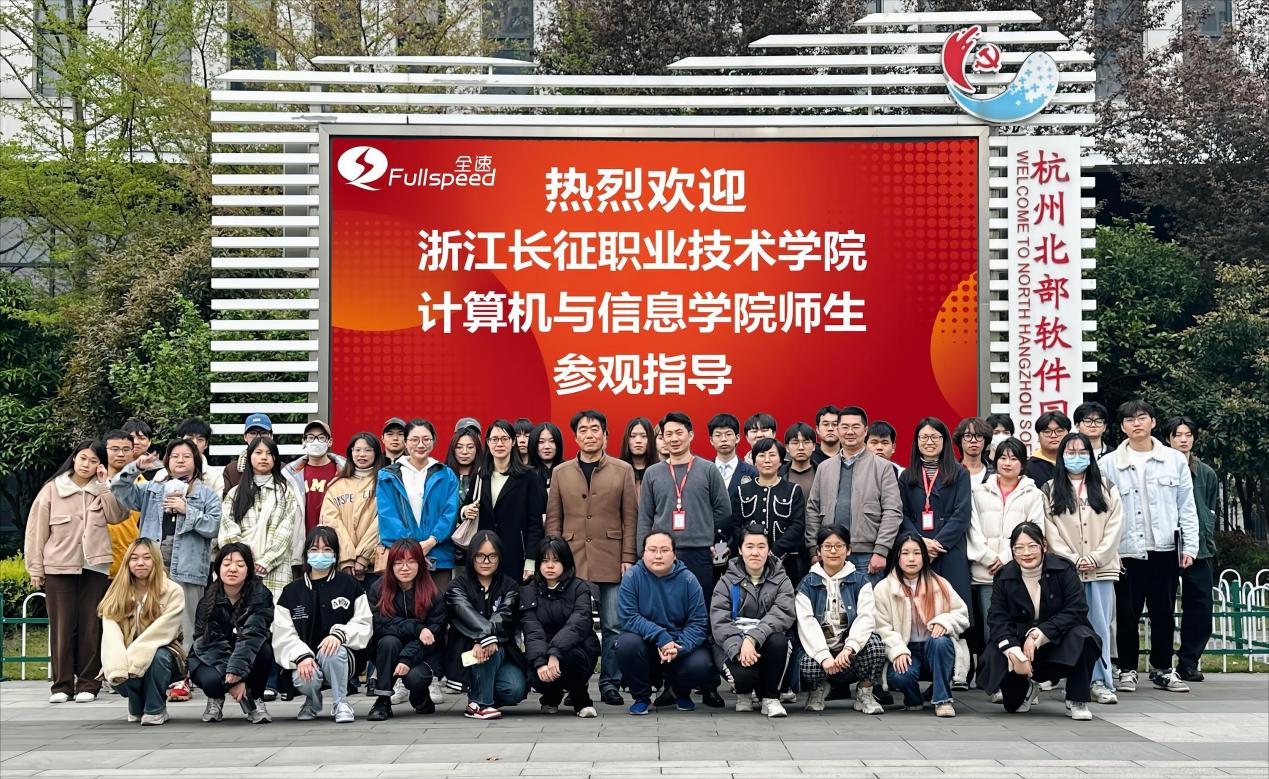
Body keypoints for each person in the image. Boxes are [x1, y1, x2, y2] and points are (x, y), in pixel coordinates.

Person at [113, 439, 222, 703]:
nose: (180, 460)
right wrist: (135, 467)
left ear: (196, 461)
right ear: (167, 462)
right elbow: (119, 489)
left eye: (186, 456)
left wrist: (187, 510)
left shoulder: (206, 494)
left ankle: (182, 678)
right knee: (150, 623)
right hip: (152, 572)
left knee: (186, 625)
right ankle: (148, 674)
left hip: (188, 571)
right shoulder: (152, 490)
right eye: (175, 456)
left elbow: (214, 527)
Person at [1101, 400, 1199, 693]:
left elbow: (1186, 506)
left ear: (1153, 422)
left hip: (1164, 548)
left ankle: (1163, 669)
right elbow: (1102, 511)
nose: (1137, 424)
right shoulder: (1108, 464)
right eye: (1130, 420)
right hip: (1126, 550)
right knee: (1126, 613)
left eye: (1142, 417)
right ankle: (1127, 670)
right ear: (1122, 427)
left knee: (1163, 613)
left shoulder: (1174, 460)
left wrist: (1189, 547)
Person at [636, 411, 731, 708]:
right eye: (668, 434)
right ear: (661, 438)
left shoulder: (707, 470)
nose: (674, 439)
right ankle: (670, 685)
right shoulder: (653, 473)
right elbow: (645, 517)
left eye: (679, 433)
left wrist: (710, 538)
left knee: (702, 617)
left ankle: (708, 684)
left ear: (691, 435)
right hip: (663, 557)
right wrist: (644, 553)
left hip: (699, 553)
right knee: (666, 618)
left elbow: (724, 511)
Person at [544, 409, 638, 707]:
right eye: (583, 430)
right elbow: (554, 520)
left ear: (605, 434)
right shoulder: (561, 472)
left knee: (613, 625)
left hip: (612, 557)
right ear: (575, 437)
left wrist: (628, 556)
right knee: (573, 626)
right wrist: (554, 559)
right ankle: (576, 685)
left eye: (595, 429)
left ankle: (610, 683)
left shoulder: (622, 470)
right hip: (572, 559)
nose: (589, 434)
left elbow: (630, 519)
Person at [26, 440, 126, 703]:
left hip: (95, 566)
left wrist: (104, 485)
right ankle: (61, 685)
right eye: (83, 458)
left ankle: (88, 684)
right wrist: (35, 568)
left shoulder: (103, 488)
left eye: (94, 461)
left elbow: (117, 516)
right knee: (62, 627)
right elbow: (36, 531)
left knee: (92, 626)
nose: (87, 465)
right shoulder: (52, 489)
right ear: (74, 458)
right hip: (59, 566)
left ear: (100, 465)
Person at [979, 523, 1102, 721]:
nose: (1026, 553)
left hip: (1057, 640)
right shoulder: (1004, 576)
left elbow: (1077, 609)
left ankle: (1076, 698)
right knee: (1012, 705)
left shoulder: (1063, 569)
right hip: (1020, 643)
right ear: (1012, 551)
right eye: (1019, 548)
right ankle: (1027, 687)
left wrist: (1039, 634)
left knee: (1083, 636)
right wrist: (1012, 651)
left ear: (1044, 545)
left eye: (1032, 546)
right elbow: (997, 618)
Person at [1043, 432, 1123, 704]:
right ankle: (1072, 680)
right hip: (1067, 571)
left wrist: (1097, 557)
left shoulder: (1105, 486)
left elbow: (1115, 526)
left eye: (1082, 452)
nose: (1076, 457)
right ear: (1061, 456)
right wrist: (1071, 559)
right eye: (1070, 452)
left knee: (1100, 626)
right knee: (1067, 626)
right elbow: (1050, 531)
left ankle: (1100, 681)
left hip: (1101, 569)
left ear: (1090, 456)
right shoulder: (1050, 489)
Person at [273, 526, 372, 723]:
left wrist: (339, 635)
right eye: (314, 549)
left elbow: (363, 622)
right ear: (306, 554)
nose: (320, 554)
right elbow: (283, 634)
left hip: (342, 656)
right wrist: (301, 656)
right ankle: (312, 700)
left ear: (335, 555)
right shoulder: (291, 592)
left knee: (332, 651)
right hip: (305, 660)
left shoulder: (350, 585)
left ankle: (341, 702)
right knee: (303, 676)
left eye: (327, 550)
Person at [966, 438, 1046, 666]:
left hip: (1021, 572)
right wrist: (989, 558)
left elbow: (1036, 531)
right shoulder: (978, 492)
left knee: (1021, 625)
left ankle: (1023, 671)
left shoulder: (1033, 494)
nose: (1007, 463)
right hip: (986, 572)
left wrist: (1006, 558)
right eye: (1002, 457)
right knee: (991, 628)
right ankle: (994, 674)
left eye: (1013, 458)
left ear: (1023, 463)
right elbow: (972, 529)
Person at [616, 531, 714, 714]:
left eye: (664, 550)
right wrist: (661, 637)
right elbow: (628, 617)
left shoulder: (688, 580)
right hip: (646, 641)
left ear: (674, 554)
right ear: (643, 553)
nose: (658, 555)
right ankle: (641, 697)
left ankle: (680, 692)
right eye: (652, 550)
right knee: (626, 644)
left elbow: (698, 623)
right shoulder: (632, 577)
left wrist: (677, 647)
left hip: (679, 643)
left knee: (701, 663)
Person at [873, 532, 970, 717]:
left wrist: (944, 621)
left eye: (917, 553)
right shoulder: (884, 588)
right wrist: (897, 650)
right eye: (905, 553)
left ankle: (943, 699)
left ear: (924, 557)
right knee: (899, 676)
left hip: (934, 648)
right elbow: (881, 627)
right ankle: (912, 697)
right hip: (907, 649)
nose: (911, 559)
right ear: (897, 556)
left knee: (941, 641)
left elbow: (961, 613)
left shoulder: (939, 584)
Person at [793, 525, 887, 714]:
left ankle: (865, 692)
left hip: (849, 656)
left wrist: (850, 648)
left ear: (849, 550)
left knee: (876, 645)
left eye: (839, 546)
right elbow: (807, 624)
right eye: (827, 546)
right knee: (807, 665)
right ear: (818, 551)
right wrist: (824, 656)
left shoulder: (861, 581)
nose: (833, 551)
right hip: (823, 656)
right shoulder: (807, 585)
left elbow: (866, 618)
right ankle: (817, 689)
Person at [806, 406, 903, 585]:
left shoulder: (882, 467)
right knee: (832, 601)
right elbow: (812, 510)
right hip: (830, 552)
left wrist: (881, 551)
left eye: (855, 427)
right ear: (837, 430)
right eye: (844, 427)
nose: (850, 432)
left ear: (865, 431)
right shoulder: (824, 468)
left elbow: (892, 510)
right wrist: (814, 549)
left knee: (868, 602)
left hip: (867, 555)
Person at [710, 524, 796, 717]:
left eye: (761, 546)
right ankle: (745, 692)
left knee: (779, 641)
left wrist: (752, 639)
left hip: (766, 642)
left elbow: (782, 613)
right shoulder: (726, 581)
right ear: (740, 550)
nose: (755, 552)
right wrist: (739, 648)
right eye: (749, 546)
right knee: (744, 678)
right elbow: (720, 622)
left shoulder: (781, 579)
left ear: (769, 550)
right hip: (734, 644)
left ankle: (770, 698)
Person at [98, 538, 185, 725]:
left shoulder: (173, 591)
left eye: (146, 558)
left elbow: (162, 632)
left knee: (158, 656)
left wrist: (134, 659)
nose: (140, 563)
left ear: (156, 560)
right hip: (127, 656)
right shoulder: (115, 593)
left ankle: (155, 709)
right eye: (134, 558)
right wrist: (117, 666)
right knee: (117, 667)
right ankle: (136, 704)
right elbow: (111, 636)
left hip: (164, 656)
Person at [188, 542, 276, 723]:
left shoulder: (260, 595)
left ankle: (256, 698)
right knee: (212, 682)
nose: (233, 569)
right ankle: (215, 698)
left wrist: (237, 671)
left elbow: (253, 635)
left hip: (247, 655)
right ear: (218, 568)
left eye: (240, 564)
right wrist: (234, 680)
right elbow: (209, 643)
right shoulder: (208, 600)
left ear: (249, 569)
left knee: (264, 650)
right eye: (227, 564)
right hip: (210, 655)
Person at [445, 530, 528, 720]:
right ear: (471, 557)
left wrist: (487, 638)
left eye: (492, 556)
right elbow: (466, 613)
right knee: (490, 645)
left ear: (500, 558)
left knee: (514, 690)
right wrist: (484, 638)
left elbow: (505, 615)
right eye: (480, 556)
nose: (486, 561)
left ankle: (478, 697)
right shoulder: (457, 586)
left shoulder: (510, 586)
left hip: (502, 649)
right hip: (465, 651)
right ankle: (481, 703)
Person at [1163, 415, 1218, 683]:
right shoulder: (1162, 468)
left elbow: (1209, 509)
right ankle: (1161, 663)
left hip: (1200, 548)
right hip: (1166, 546)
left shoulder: (1206, 473)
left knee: (1200, 606)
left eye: (1188, 435)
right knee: (1162, 605)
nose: (1183, 440)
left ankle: (1189, 661)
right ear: (1168, 439)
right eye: (1178, 435)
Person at [366, 539, 447, 720]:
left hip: (424, 652)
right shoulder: (378, 589)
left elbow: (434, 634)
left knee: (415, 678)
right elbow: (380, 624)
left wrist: (406, 658)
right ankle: (382, 700)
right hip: (388, 650)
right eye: (398, 562)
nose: (405, 568)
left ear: (420, 563)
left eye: (411, 561)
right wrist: (417, 628)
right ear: (390, 565)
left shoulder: (433, 593)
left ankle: (420, 696)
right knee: (388, 641)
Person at [898, 417, 972, 613]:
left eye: (934, 437)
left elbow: (962, 514)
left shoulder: (960, 473)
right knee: (918, 610)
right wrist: (920, 543)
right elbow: (901, 514)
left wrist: (937, 544)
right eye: (924, 437)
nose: (929, 442)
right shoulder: (906, 476)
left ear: (944, 440)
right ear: (916, 441)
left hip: (949, 549)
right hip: (916, 549)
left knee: (953, 608)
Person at [521, 536, 601, 718]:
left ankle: (582, 700)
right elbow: (532, 630)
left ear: (566, 562)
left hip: (577, 648)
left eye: (556, 561)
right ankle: (551, 696)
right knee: (530, 668)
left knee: (571, 658)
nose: (550, 566)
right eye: (545, 561)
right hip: (543, 648)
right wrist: (540, 662)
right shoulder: (529, 590)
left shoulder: (580, 588)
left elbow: (578, 624)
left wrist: (555, 653)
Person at [377, 419, 461, 588]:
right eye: (414, 440)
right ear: (405, 442)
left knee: (436, 602)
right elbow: (388, 516)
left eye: (426, 439)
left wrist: (431, 541)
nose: (420, 445)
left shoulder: (446, 474)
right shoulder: (388, 476)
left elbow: (450, 513)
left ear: (434, 441)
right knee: (404, 602)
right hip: (403, 559)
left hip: (438, 556)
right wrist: (412, 549)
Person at [219, 436, 302, 604]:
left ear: (275, 459)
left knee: (273, 613)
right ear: (249, 457)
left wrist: (266, 561)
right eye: (258, 453)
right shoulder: (235, 493)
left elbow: (286, 531)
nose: (264, 457)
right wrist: (244, 561)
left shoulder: (286, 493)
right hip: (240, 568)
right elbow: (227, 529)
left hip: (275, 568)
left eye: (269, 453)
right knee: (238, 613)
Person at [474, 420, 546, 582]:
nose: (499, 444)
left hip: (516, 553)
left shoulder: (529, 477)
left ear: (513, 442)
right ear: (487, 442)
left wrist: (531, 559)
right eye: (494, 439)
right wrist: (465, 511)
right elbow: (466, 506)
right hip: (484, 553)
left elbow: (535, 523)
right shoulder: (480, 476)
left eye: (504, 439)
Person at [731, 438, 805, 584]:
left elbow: (798, 526)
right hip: (749, 561)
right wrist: (750, 550)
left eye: (772, 455)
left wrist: (774, 550)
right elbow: (735, 525)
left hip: (785, 562)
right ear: (754, 460)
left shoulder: (793, 490)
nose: (767, 460)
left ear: (781, 460)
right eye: (761, 455)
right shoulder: (742, 491)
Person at [320, 433, 384, 587]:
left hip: (374, 568)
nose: (362, 454)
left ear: (376, 453)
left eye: (368, 450)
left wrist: (363, 556)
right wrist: (347, 558)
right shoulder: (336, 485)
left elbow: (383, 521)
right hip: (343, 567)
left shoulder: (385, 482)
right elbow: (331, 522)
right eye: (357, 450)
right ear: (351, 452)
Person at [284, 420, 347, 535]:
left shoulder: (343, 471)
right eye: (311, 437)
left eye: (321, 437)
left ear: (330, 442)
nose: (315, 441)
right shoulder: (292, 473)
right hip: (302, 537)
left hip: (334, 537)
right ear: (304, 441)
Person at [102, 430, 141, 580]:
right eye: (114, 449)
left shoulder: (142, 484)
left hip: (130, 562)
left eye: (126, 449)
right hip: (96, 563)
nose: (120, 454)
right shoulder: (93, 482)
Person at [220, 413, 273, 497]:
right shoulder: (232, 470)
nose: (258, 437)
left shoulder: (282, 470)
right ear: (245, 437)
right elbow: (226, 500)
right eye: (252, 433)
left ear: (271, 436)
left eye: (263, 433)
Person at [708, 413, 757, 496]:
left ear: (737, 438)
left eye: (728, 434)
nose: (723, 439)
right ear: (711, 440)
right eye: (718, 435)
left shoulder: (752, 472)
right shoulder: (703, 471)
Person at [177, 418, 225, 495]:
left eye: (200, 439)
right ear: (179, 441)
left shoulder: (215, 476)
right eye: (190, 438)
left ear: (206, 445)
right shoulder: (163, 475)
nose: (195, 443)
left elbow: (217, 502)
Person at [1026, 411, 1071, 488]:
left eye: (1059, 431)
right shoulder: (1028, 467)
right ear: (1038, 437)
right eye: (1047, 432)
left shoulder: (1078, 461)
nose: (1053, 435)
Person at [779, 422, 818, 498]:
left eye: (806, 442)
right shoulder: (778, 475)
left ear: (814, 446)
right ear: (787, 447)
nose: (801, 447)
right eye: (795, 443)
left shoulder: (823, 473)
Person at [619, 416, 659, 488]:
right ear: (626, 440)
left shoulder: (661, 470)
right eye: (633, 436)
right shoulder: (617, 469)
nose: (638, 441)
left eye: (644, 436)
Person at [953, 417, 993, 484]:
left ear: (985, 441)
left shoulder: (994, 472)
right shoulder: (950, 472)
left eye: (979, 436)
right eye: (968, 436)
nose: (973, 440)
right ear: (960, 441)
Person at [527, 421, 564, 493]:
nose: (547, 446)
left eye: (552, 441)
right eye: (541, 442)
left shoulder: (568, 470)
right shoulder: (525, 474)